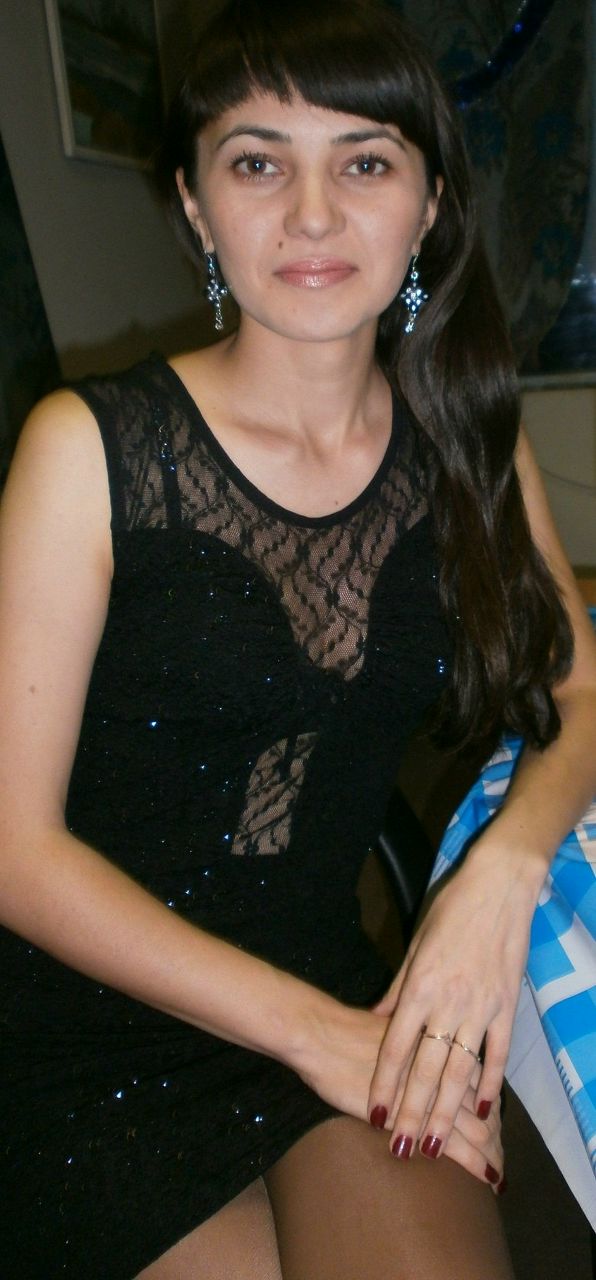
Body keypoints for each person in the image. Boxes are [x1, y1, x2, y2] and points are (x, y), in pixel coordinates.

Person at [0, 1, 594, 1276]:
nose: (312, 214)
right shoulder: (87, 450)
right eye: (258, 162)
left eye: (363, 161)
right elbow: (15, 851)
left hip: (326, 973)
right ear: (196, 206)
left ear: (428, 204)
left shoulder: (466, 451)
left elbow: (580, 690)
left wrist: (496, 877)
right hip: (81, 1014)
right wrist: (318, 1035)